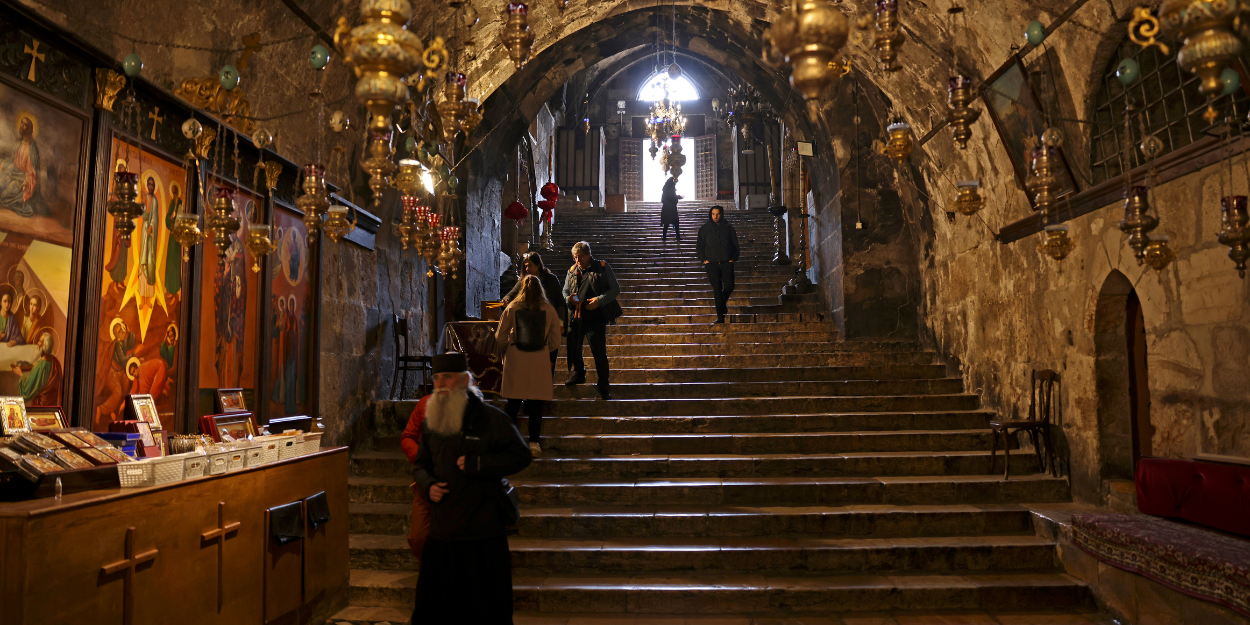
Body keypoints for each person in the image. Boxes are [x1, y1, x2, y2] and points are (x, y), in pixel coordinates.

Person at [412, 352, 532, 625]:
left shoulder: (492, 418)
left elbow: (521, 455)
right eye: (437, 377)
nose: (440, 383)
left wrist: (481, 463)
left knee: (484, 610)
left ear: (465, 380)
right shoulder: (431, 421)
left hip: (482, 534)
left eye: (448, 377)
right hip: (442, 534)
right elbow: (420, 465)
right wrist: (428, 485)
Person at [496, 275, 562, 457]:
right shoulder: (549, 309)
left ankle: (511, 442)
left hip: (517, 357)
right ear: (541, 290)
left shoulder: (512, 307)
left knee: (513, 403)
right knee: (535, 404)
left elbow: (499, 337)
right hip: (539, 358)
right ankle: (534, 443)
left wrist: (510, 345)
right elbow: (556, 341)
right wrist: (545, 347)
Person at [562, 241, 622, 400]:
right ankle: (579, 373)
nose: (577, 260)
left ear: (588, 255)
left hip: (596, 318)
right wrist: (569, 299)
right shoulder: (572, 271)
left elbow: (615, 289)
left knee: (599, 352)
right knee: (575, 348)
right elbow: (565, 291)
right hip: (576, 317)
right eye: (575, 257)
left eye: (580, 257)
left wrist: (599, 301)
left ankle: (604, 383)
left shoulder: (602, 267)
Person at [501, 251, 567, 374]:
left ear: (538, 265)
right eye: (525, 266)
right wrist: (507, 300)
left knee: (548, 363)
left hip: (548, 322)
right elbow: (511, 294)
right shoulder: (524, 281)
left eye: (530, 265)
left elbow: (559, 302)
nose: (527, 268)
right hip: (529, 325)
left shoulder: (550, 279)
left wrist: (561, 323)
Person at [400, 388, 433, 561]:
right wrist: (421, 458)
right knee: (419, 537)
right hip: (427, 477)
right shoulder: (425, 403)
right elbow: (408, 437)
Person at [696, 205, 740, 324]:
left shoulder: (729, 228)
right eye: (713, 214)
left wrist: (733, 258)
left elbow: (735, 244)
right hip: (712, 264)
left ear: (722, 214)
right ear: (711, 215)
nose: (716, 216)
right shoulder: (704, 229)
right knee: (717, 289)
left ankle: (721, 304)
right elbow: (700, 246)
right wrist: (704, 260)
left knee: (730, 286)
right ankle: (720, 316)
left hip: (727, 262)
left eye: (718, 214)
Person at [13, 329, 59, 405]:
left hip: (40, 405)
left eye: (41, 341)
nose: (38, 343)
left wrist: (20, 374)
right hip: (51, 404)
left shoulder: (39, 365)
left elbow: (27, 390)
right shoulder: (55, 362)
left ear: (46, 346)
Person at [660, 176, 682, 241]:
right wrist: (678, 197)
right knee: (676, 223)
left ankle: (664, 237)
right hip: (671, 209)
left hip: (666, 209)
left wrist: (677, 197)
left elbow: (663, 200)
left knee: (666, 224)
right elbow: (671, 197)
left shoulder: (665, 189)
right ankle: (677, 236)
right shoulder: (670, 189)